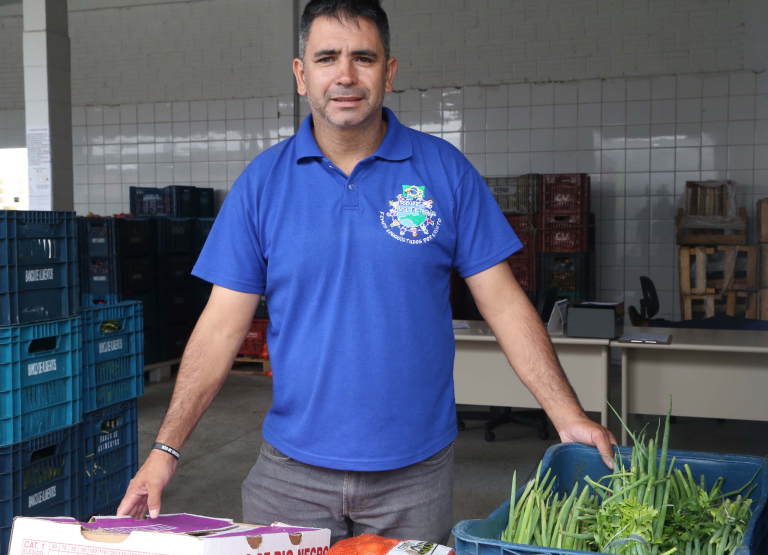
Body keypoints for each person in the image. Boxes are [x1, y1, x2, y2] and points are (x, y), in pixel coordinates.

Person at [117, 0, 616, 543]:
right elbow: (219, 328)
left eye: (364, 58)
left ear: (389, 72)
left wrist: (567, 415)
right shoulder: (262, 183)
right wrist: (165, 450)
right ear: (301, 75)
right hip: (290, 475)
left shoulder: (445, 171)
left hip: (414, 477)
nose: (346, 76)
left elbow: (505, 303)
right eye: (326, 58)